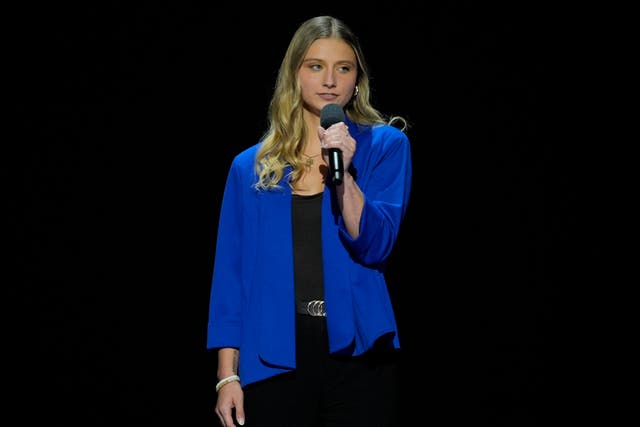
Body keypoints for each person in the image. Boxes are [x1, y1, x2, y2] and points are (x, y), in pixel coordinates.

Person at [206, 15, 412, 427]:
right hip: (275, 356)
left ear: (357, 80)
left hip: (358, 357)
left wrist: (346, 173)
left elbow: (374, 244)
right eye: (315, 66)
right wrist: (227, 375)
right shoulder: (251, 167)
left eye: (343, 68)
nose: (330, 80)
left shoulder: (385, 146)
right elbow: (231, 277)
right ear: (294, 74)